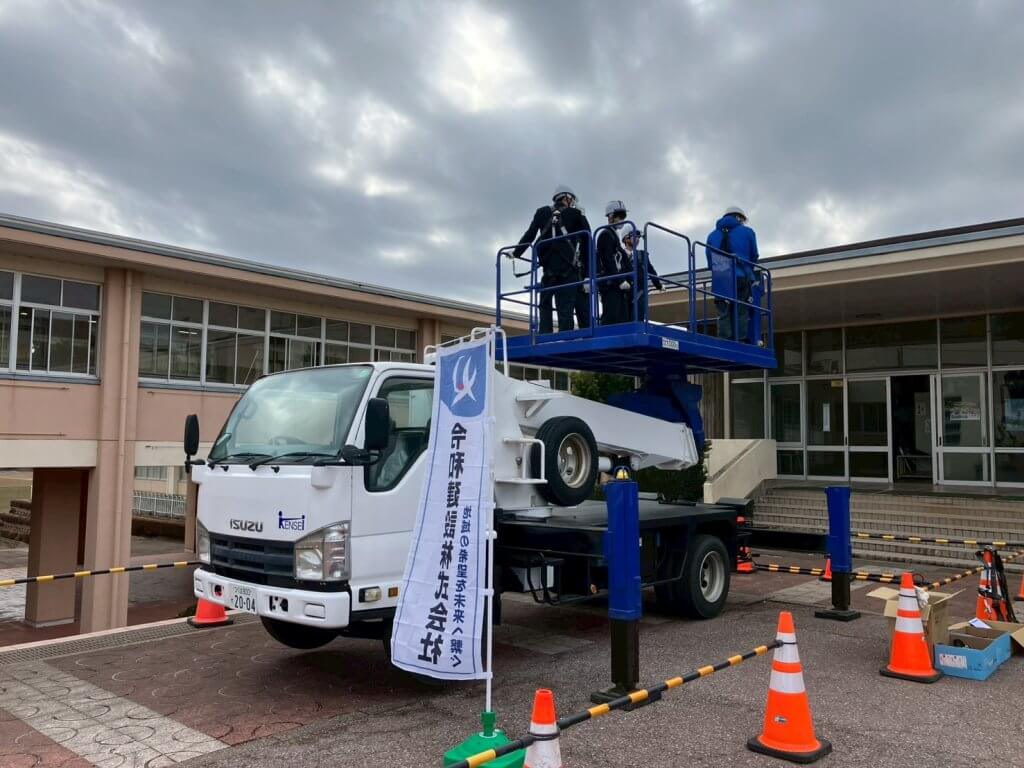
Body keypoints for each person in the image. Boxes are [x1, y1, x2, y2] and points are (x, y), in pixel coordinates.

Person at [514, 185, 592, 333]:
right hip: (569, 271)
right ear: (567, 198)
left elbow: (530, 234)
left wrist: (516, 252)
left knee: (544, 305)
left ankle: (545, 335)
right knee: (565, 307)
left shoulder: (542, 212)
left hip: (548, 270)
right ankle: (565, 337)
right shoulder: (575, 213)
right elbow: (587, 239)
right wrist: (587, 275)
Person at [705, 205, 759, 341]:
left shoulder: (712, 235)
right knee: (741, 310)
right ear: (738, 218)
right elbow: (754, 255)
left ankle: (724, 339)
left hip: (721, 278)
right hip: (741, 276)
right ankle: (740, 340)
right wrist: (749, 271)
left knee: (723, 311)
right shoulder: (748, 232)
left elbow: (710, 261)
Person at [595, 200, 631, 325]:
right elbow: (608, 260)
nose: (622, 220)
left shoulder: (613, 235)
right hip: (610, 283)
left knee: (622, 318)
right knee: (611, 317)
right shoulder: (606, 235)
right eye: (619, 216)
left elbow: (622, 258)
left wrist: (630, 277)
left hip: (616, 282)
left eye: (623, 216)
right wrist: (620, 280)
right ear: (611, 216)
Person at [620, 223, 662, 322]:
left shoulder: (642, 255)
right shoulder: (620, 255)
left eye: (638, 237)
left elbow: (651, 270)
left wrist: (658, 285)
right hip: (624, 294)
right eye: (634, 236)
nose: (637, 239)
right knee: (625, 321)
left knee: (638, 320)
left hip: (639, 294)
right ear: (626, 239)